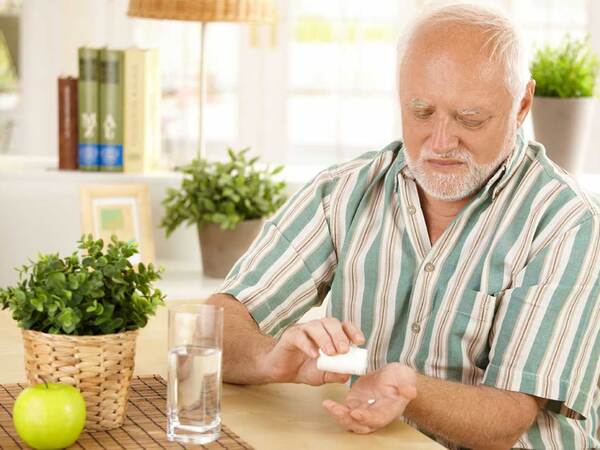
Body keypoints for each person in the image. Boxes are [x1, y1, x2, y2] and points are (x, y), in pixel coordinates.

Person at [207, 3, 600, 449]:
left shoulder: (567, 223)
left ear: (522, 103)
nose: (440, 142)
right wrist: (267, 358)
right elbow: (215, 323)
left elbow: (507, 420)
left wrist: (407, 389)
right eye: (421, 111)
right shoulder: (344, 191)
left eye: (470, 118)